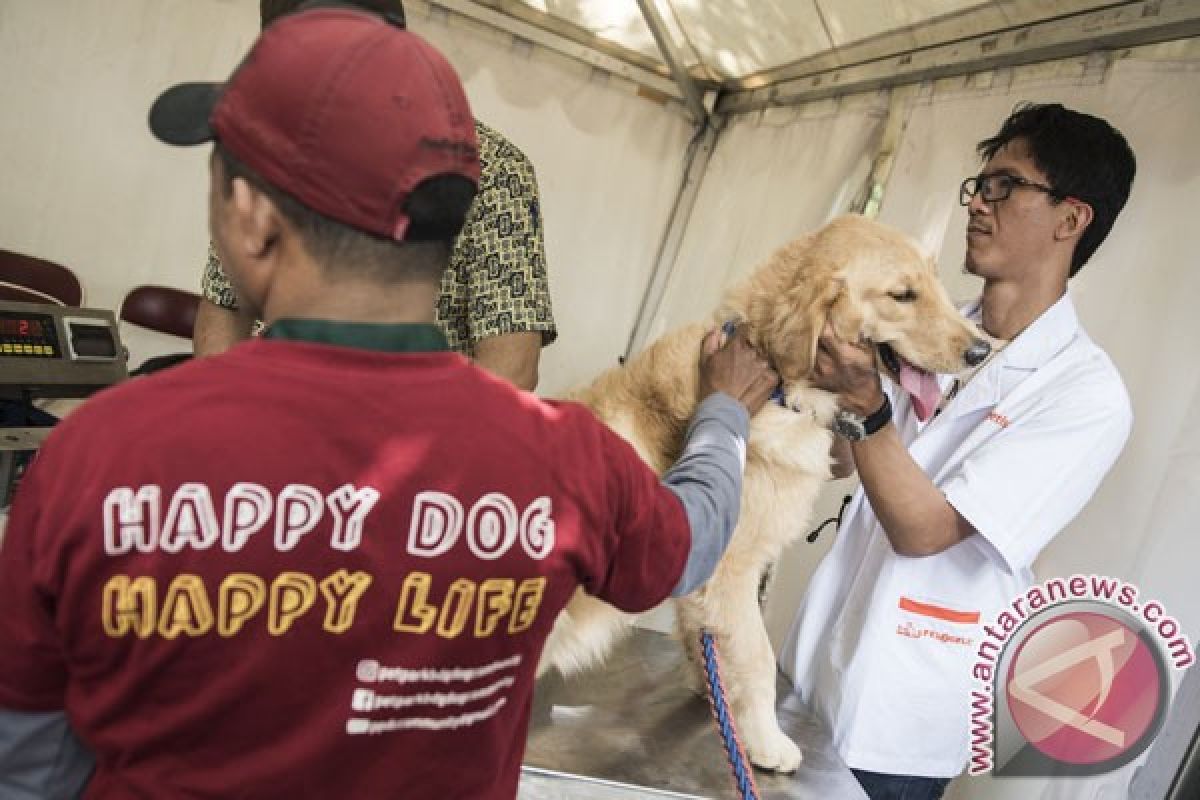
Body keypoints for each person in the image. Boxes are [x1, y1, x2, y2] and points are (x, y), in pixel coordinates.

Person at [0, 9, 780, 799]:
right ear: (457, 235)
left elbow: (28, 758)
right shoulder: (564, 465)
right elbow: (692, 544)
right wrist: (722, 414)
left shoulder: (101, 455)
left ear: (247, 223)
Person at [784, 103, 1136, 800]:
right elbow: (837, 462)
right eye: (979, 183)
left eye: (1005, 186)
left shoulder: (1085, 394)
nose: (978, 202)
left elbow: (925, 530)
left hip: (900, 722)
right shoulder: (927, 324)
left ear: (1071, 219)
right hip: (814, 664)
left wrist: (865, 403)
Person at [195, 0, 557, 391]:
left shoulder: (491, 169)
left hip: (417, 428)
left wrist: (419, 443)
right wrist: (230, 415)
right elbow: (223, 312)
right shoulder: (267, 145)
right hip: (268, 414)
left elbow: (511, 368)